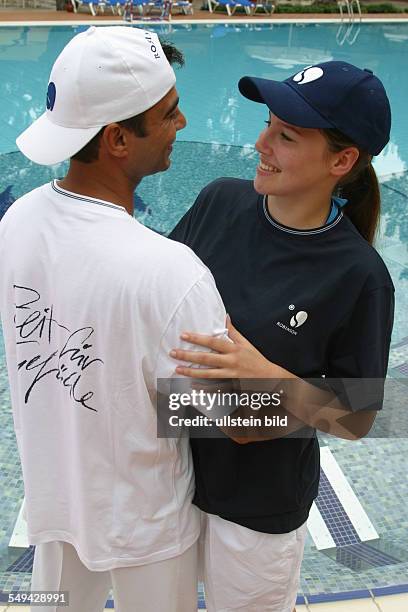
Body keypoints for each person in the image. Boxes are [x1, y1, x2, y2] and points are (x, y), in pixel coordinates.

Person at [0, 26, 229, 612]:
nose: (182, 125)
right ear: (118, 139)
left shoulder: (16, 223)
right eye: (170, 114)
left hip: (54, 506)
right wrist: (319, 400)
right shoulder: (169, 272)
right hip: (148, 531)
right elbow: (229, 417)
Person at [169, 61, 395, 612]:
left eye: (286, 136)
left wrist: (265, 377)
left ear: (342, 161)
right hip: (168, 479)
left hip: (258, 507)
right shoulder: (220, 201)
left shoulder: (359, 276)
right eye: (268, 124)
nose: (260, 143)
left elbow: (357, 417)